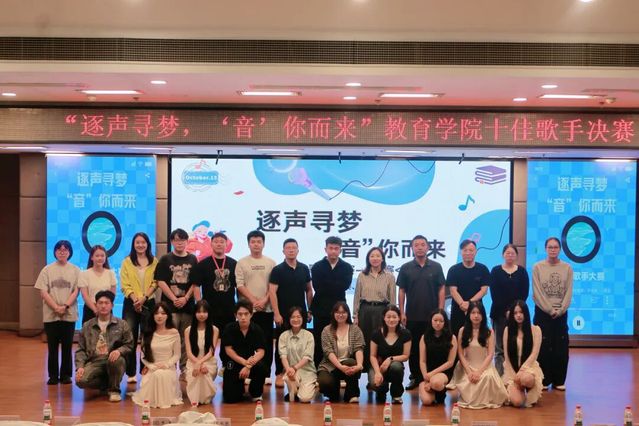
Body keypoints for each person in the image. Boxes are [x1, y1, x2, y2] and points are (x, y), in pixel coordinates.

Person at [397, 235, 445, 390]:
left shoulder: (436, 267)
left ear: (428, 247)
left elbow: (441, 289)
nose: (419, 247)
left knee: (432, 347)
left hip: (433, 317)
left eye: (422, 244)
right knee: (414, 349)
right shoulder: (406, 267)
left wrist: (441, 310)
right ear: (412, 248)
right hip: (412, 316)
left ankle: (431, 376)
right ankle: (415, 377)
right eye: (416, 245)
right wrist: (402, 312)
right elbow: (402, 290)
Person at [35, 240, 80, 385]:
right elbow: (43, 291)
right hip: (51, 314)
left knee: (67, 346)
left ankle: (66, 375)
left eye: (65, 249)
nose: (62, 252)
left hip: (69, 313)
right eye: (59, 249)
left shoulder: (75, 270)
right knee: (52, 347)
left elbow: (76, 291)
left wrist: (65, 306)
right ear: (55, 252)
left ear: (70, 252)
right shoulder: (47, 270)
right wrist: (56, 307)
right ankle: (53, 376)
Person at [75, 290, 134, 402]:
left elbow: (129, 344)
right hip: (94, 361)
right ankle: (107, 383)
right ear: (96, 305)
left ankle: (114, 391)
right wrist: (80, 367)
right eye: (100, 303)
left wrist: (119, 351)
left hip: (113, 360)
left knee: (116, 360)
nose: (103, 306)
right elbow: (81, 349)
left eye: (106, 303)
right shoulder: (87, 326)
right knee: (80, 381)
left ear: (112, 305)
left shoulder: (122, 324)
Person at [269, 238, 313, 388]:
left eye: (294, 247)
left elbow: (309, 290)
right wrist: (276, 313)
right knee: (281, 344)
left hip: (301, 314)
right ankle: (280, 373)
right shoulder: (278, 270)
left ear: (298, 250)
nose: (291, 250)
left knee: (301, 343)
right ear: (283, 251)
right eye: (288, 248)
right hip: (283, 314)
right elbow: (272, 292)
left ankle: (300, 371)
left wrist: (309, 310)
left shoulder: (304, 268)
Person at [156, 228, 199, 379]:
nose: (179, 243)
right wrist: (174, 298)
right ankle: (170, 367)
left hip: (188, 306)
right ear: (172, 242)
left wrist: (186, 298)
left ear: (187, 241)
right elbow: (160, 281)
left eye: (182, 240)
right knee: (170, 337)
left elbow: (195, 282)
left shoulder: (193, 259)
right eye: (176, 240)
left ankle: (184, 368)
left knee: (186, 338)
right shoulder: (165, 259)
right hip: (169, 307)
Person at [532, 237, 573, 391]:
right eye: (550, 247)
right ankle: (543, 380)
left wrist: (560, 310)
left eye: (555, 247)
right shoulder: (537, 267)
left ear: (560, 249)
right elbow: (537, 292)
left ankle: (558, 380)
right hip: (543, 312)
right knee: (542, 346)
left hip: (561, 314)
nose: (553, 250)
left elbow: (568, 292)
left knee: (560, 347)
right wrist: (549, 309)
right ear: (545, 249)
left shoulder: (567, 268)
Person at [235, 230, 276, 383]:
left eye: (259, 241)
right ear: (248, 244)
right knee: (247, 341)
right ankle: (248, 372)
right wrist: (253, 301)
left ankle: (265, 374)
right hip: (247, 311)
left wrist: (264, 300)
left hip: (266, 309)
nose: (256, 244)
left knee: (266, 342)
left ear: (263, 244)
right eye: (253, 242)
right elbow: (240, 285)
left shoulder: (271, 263)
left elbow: (273, 286)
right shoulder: (242, 262)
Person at [449, 301, 507, 409]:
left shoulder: (489, 332)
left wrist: (479, 372)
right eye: (473, 313)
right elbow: (460, 354)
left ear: (483, 315)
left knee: (487, 378)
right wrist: (469, 372)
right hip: (467, 366)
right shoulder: (462, 330)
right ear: (468, 314)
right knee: (470, 382)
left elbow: (490, 354)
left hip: (484, 366)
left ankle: (484, 400)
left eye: (479, 313)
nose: (476, 316)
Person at [353, 247, 396, 389]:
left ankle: (378, 374)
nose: (375, 258)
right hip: (365, 311)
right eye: (372, 256)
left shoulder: (389, 276)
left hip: (382, 312)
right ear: (368, 259)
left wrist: (391, 317)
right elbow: (357, 297)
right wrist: (355, 315)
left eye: (378, 256)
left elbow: (392, 299)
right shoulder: (362, 275)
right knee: (364, 342)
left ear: (382, 258)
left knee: (380, 342)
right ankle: (364, 374)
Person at [192, 232, 237, 365]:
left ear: (226, 244)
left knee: (228, 339)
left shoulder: (234, 263)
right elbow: (196, 286)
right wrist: (199, 305)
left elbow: (239, 287)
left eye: (222, 242)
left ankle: (226, 365)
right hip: (209, 309)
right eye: (216, 241)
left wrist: (239, 307)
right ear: (211, 244)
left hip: (229, 308)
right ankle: (206, 363)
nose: (219, 244)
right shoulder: (203, 264)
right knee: (207, 338)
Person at [120, 232, 159, 383]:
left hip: (148, 302)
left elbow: (155, 282)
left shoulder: (154, 261)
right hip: (131, 303)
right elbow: (125, 284)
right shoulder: (127, 262)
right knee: (130, 337)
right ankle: (131, 373)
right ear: (133, 244)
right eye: (137, 242)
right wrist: (135, 299)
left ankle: (145, 370)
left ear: (148, 244)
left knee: (147, 337)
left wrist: (144, 298)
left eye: (143, 242)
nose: (140, 245)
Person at [311, 236, 354, 367]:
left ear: (340, 250)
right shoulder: (317, 267)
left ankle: (339, 368)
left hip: (340, 310)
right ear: (326, 249)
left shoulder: (347, 267)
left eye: (336, 248)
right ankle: (319, 369)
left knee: (340, 340)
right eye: (331, 248)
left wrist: (327, 282)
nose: (333, 251)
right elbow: (318, 287)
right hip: (321, 309)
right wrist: (335, 283)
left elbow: (344, 286)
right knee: (319, 340)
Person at [132, 302, 183, 408]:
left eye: (163, 313)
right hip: (152, 367)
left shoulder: (174, 332)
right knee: (155, 374)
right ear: (153, 316)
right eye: (157, 313)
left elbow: (177, 355)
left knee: (160, 374)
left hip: (168, 367)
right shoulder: (147, 332)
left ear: (168, 316)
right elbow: (143, 356)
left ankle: (162, 401)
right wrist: (151, 366)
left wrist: (166, 364)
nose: (160, 316)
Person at [489, 243, 530, 376]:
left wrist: (513, 311)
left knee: (516, 346)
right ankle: (500, 378)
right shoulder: (495, 271)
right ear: (503, 255)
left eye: (512, 253)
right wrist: (505, 311)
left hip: (518, 315)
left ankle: (515, 375)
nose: (510, 255)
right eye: (507, 253)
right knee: (500, 348)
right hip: (499, 314)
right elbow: (494, 293)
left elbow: (524, 293)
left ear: (516, 255)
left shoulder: (522, 271)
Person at [317, 301, 365, 403]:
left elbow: (359, 348)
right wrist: (340, 366)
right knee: (325, 382)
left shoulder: (355, 329)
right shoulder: (327, 330)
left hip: (348, 364)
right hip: (330, 365)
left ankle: (352, 394)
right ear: (333, 314)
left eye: (343, 312)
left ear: (348, 314)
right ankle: (333, 394)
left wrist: (359, 365)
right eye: (338, 312)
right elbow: (328, 352)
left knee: (351, 362)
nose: (340, 315)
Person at [221, 301, 268, 403]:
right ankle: (239, 388)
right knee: (230, 399)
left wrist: (248, 366)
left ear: (251, 314)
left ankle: (255, 392)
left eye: (246, 314)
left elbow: (261, 352)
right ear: (235, 315)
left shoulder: (257, 329)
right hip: (234, 362)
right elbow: (228, 350)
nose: (243, 317)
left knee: (261, 367)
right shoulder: (229, 328)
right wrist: (244, 362)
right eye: (240, 314)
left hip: (250, 362)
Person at [503, 300, 543, 407]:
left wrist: (521, 371)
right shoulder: (507, 330)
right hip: (512, 371)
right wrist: (514, 376)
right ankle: (518, 390)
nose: (518, 315)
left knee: (526, 379)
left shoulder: (536, 330)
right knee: (517, 402)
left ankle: (528, 389)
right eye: (515, 313)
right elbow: (506, 356)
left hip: (529, 368)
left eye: (521, 312)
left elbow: (534, 354)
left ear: (526, 313)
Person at [446, 239, 491, 337]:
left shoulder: (483, 269)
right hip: (458, 309)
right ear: (460, 252)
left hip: (477, 311)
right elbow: (453, 291)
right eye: (465, 250)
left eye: (471, 250)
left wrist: (469, 304)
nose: (468, 253)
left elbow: (484, 291)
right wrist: (462, 304)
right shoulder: (453, 270)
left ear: (476, 252)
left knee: (479, 337)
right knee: (457, 337)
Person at [369, 305, 411, 404]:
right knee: (375, 383)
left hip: (394, 364)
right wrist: (377, 372)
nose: (391, 320)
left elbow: (406, 356)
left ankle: (396, 395)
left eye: (394, 317)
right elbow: (372, 356)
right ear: (384, 318)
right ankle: (381, 391)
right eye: (388, 317)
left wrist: (390, 359)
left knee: (396, 367)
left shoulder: (405, 334)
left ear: (399, 318)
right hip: (378, 365)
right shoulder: (376, 334)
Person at [278, 306, 317, 403]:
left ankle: (305, 387)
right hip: (291, 371)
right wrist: (288, 369)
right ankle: (294, 390)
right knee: (288, 378)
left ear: (303, 318)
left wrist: (294, 368)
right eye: (293, 317)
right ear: (289, 319)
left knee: (305, 399)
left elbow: (307, 357)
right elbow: (283, 356)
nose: (296, 319)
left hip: (307, 371)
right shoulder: (283, 336)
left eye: (298, 317)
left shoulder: (309, 336)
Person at [418, 309, 457, 405]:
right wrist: (426, 378)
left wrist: (432, 375)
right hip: (427, 373)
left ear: (445, 322)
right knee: (427, 401)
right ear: (431, 321)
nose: (438, 323)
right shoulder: (424, 337)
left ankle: (437, 388)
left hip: (443, 372)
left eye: (441, 321)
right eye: (435, 320)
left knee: (436, 383)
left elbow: (450, 362)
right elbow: (422, 361)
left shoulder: (452, 338)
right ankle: (429, 389)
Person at [184, 300, 219, 405]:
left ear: (209, 313)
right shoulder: (188, 330)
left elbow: (211, 352)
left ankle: (205, 397)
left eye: (204, 312)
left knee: (202, 373)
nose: (202, 314)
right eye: (199, 312)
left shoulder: (214, 329)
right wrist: (198, 363)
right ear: (194, 313)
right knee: (197, 374)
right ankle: (196, 399)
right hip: (192, 361)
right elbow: (189, 353)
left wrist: (200, 363)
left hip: (209, 361)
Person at [79, 245, 117, 324]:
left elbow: (112, 294)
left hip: (106, 310)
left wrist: (105, 307)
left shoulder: (110, 273)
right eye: (97, 256)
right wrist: (95, 309)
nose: (100, 258)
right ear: (91, 257)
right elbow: (85, 295)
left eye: (102, 256)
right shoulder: (84, 274)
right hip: (90, 310)